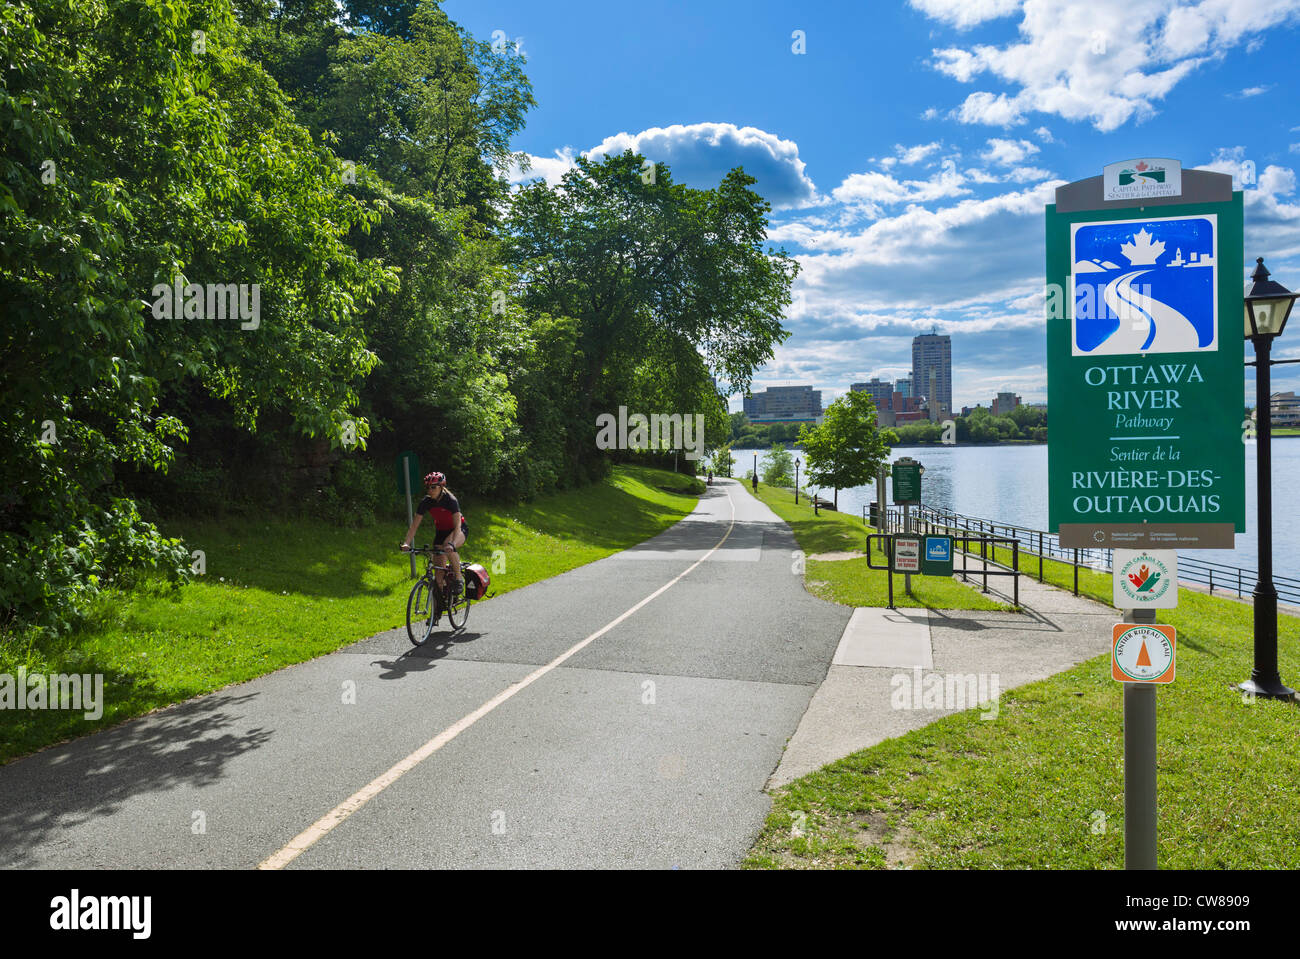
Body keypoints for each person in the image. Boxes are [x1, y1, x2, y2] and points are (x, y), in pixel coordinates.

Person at [400, 471, 467, 595]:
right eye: (428, 487)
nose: (430, 490)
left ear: (441, 487)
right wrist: (406, 543)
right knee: (438, 574)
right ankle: (438, 606)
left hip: (458, 530)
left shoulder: (451, 500)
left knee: (448, 545)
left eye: (433, 487)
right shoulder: (426, 502)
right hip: (441, 532)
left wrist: (452, 544)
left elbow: (457, 525)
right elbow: (414, 526)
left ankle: (458, 578)